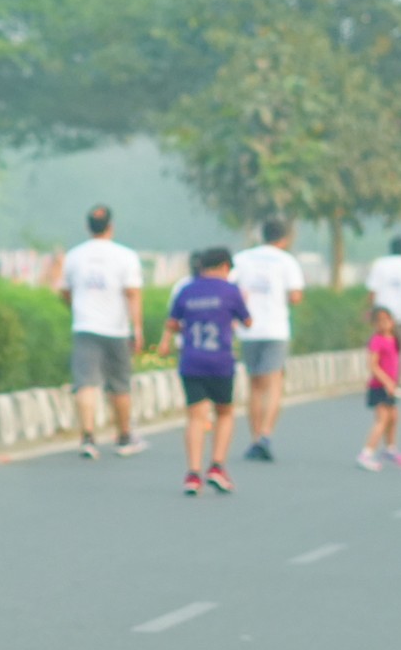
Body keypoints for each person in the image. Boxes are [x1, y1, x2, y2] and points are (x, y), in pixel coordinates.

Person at [59, 204, 147, 459]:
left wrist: (77, 307)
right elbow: (132, 294)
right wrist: (137, 328)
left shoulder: (74, 256)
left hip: (85, 326)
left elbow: (64, 291)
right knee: (119, 384)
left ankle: (88, 437)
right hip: (116, 329)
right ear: (111, 226)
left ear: (88, 227)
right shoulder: (125, 256)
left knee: (85, 383)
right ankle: (124, 436)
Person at [161, 247, 250, 495]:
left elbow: (173, 322)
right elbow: (247, 321)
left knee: (195, 416)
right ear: (224, 266)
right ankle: (217, 466)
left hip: (192, 360)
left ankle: (193, 473)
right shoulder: (231, 291)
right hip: (220, 361)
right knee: (224, 412)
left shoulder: (187, 290)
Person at [230, 217, 305, 461]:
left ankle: (254, 439)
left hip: (248, 329)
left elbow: (230, 288)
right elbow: (296, 296)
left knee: (254, 385)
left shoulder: (242, 258)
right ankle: (265, 434)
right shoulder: (287, 261)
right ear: (285, 238)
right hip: (275, 329)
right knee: (274, 382)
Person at [364, 235, 401, 393]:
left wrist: (369, 311)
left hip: (382, 316)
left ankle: (385, 381)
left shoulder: (379, 265)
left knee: (382, 350)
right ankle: (397, 380)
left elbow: (372, 291)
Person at [359, 307, 401, 471]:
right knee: (382, 420)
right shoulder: (377, 340)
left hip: (390, 387)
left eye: (386, 320)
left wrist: (394, 383)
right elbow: (372, 365)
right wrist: (387, 382)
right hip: (379, 387)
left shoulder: (394, 339)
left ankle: (390, 449)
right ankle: (366, 453)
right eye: (379, 321)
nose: (383, 323)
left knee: (394, 417)